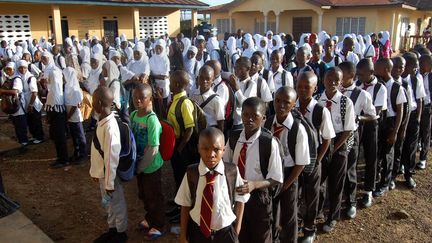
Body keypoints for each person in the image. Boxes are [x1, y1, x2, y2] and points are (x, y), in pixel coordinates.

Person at [223, 97, 283, 243]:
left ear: (263, 118)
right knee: (240, 233)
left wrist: (254, 185)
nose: (249, 119)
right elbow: (225, 165)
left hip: (259, 198)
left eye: (254, 116)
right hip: (236, 194)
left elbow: (276, 178)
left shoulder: (268, 142)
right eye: (245, 114)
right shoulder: (234, 137)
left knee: (261, 235)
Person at [175, 127, 249, 243]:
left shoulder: (232, 171)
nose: (211, 154)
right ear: (198, 148)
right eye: (205, 149)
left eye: (217, 149)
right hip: (198, 232)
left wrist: (236, 230)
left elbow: (241, 200)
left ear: (224, 150)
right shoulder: (192, 173)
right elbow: (185, 204)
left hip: (225, 233)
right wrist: (183, 235)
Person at [266, 86, 310, 243]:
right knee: (270, 211)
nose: (281, 105)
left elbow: (301, 164)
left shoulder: (298, 130)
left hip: (289, 174)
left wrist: (285, 185)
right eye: (277, 101)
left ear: (294, 103)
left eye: (287, 102)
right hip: (271, 174)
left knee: (289, 214)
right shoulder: (269, 122)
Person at [296, 72, 335, 243]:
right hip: (295, 157)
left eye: (307, 87)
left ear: (315, 88)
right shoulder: (291, 105)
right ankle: (295, 223)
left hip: (314, 158)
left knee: (312, 194)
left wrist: (317, 160)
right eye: (300, 87)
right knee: (295, 193)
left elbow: (327, 138)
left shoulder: (321, 111)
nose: (303, 90)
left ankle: (309, 228)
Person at [317, 67, 356, 232]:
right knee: (318, 181)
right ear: (323, 79)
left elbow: (348, 130)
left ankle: (333, 215)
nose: (332, 82)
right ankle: (317, 212)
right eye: (329, 78)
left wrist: (334, 149)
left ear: (341, 83)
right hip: (321, 144)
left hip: (338, 144)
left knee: (336, 183)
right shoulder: (317, 100)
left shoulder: (346, 102)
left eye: (336, 80)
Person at [338, 61, 376, 219]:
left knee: (349, 168)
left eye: (342, 74)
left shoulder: (361, 94)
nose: (338, 77)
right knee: (336, 168)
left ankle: (351, 202)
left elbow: (372, 115)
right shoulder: (335, 91)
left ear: (351, 76)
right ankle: (336, 198)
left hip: (351, 135)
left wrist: (358, 117)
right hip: (334, 135)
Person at [90, 86, 128, 243]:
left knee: (117, 203)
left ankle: (121, 233)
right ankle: (112, 229)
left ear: (98, 103)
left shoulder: (111, 127)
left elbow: (111, 158)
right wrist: (95, 171)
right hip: (102, 174)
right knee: (109, 205)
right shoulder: (102, 121)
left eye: (93, 101)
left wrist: (109, 182)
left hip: (109, 176)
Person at [130, 84, 165, 241]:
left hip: (150, 166)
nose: (138, 100)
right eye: (135, 97)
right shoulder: (133, 115)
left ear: (149, 99)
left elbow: (153, 149)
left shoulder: (152, 120)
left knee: (154, 196)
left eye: (142, 98)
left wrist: (141, 167)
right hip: (139, 165)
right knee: (143, 194)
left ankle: (158, 224)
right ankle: (149, 218)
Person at [166, 70, 198, 222]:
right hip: (177, 144)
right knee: (177, 176)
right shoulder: (175, 100)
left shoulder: (184, 103)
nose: (169, 84)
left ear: (177, 84)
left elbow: (189, 128)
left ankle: (183, 210)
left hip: (182, 147)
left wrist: (179, 149)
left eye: (171, 82)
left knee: (183, 177)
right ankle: (179, 204)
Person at [356, 58, 387, 207]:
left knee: (371, 158)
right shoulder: (357, 85)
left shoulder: (380, 88)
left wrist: (359, 117)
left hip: (371, 126)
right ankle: (351, 187)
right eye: (357, 74)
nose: (359, 77)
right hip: (357, 126)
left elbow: (377, 113)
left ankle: (368, 190)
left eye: (362, 75)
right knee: (354, 157)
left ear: (371, 72)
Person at [373, 58, 406, 197]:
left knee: (388, 154)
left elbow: (400, 111)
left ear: (386, 69)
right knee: (378, 151)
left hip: (390, 122)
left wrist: (395, 131)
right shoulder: (378, 85)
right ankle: (377, 178)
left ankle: (385, 183)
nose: (374, 70)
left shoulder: (397, 87)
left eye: (377, 68)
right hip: (380, 121)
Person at [400, 52, 425, 189]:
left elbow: (420, 99)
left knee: (410, 146)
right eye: (414, 66)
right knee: (399, 144)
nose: (416, 69)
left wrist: (418, 118)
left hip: (413, 115)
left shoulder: (416, 80)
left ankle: (408, 174)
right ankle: (397, 168)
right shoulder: (396, 80)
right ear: (406, 66)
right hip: (399, 116)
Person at [42, 52, 70, 168]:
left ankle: (63, 159)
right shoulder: (53, 90)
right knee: (56, 136)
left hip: (57, 112)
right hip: (56, 111)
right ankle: (61, 158)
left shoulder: (55, 91)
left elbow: (53, 101)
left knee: (59, 137)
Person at [0, 62, 28, 145]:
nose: (8, 71)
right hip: (11, 104)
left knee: (21, 123)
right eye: (7, 69)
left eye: (9, 69)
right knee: (16, 124)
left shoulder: (17, 79)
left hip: (17, 104)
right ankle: (20, 139)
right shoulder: (9, 78)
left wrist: (3, 91)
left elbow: (16, 91)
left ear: (14, 70)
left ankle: (24, 140)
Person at [63, 67, 87, 164]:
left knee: (80, 136)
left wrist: (68, 116)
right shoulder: (67, 86)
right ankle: (77, 153)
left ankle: (83, 155)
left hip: (75, 116)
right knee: (74, 136)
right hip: (69, 116)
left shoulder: (75, 88)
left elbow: (75, 105)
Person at [190, 65, 225, 131]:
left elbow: (221, 121)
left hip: (210, 132)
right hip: (196, 131)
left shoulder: (217, 100)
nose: (204, 81)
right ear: (198, 78)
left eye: (207, 79)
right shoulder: (192, 94)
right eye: (201, 77)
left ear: (212, 80)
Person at [417, 54, 432, 169]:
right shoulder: (416, 76)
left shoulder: (430, 77)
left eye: (423, 63)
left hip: (427, 108)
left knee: (425, 133)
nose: (420, 65)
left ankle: (423, 158)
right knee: (414, 132)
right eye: (419, 62)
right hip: (416, 107)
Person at [150, 39, 170, 108]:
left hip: (163, 86)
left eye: (160, 48)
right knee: (156, 105)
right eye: (156, 47)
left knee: (164, 104)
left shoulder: (166, 59)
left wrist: (153, 76)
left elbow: (164, 77)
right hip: (154, 86)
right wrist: (154, 76)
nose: (158, 50)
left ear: (163, 48)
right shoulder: (152, 59)